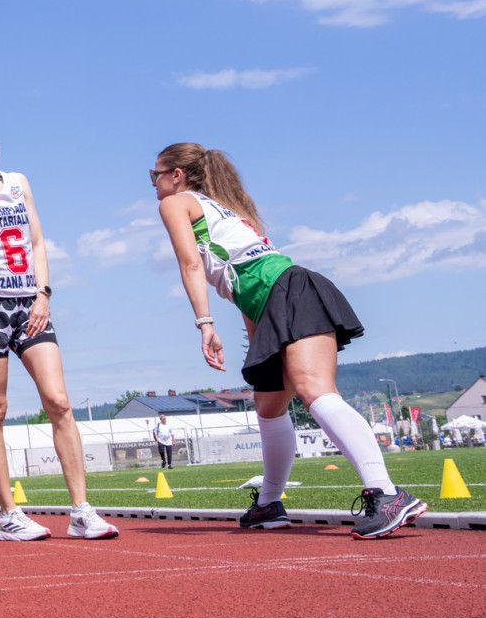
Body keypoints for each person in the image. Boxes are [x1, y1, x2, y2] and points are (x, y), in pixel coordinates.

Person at [151, 142, 425, 539]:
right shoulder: (227, 210)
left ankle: (386, 493)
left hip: (289, 292)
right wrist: (258, 347)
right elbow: (244, 287)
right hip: (277, 301)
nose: (153, 183)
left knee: (315, 391)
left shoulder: (176, 203)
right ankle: (269, 503)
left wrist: (205, 324)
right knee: (268, 407)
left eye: (155, 175)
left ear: (177, 175)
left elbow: (190, 263)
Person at [0, 121, 118, 542]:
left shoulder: (19, 183)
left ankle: (81, 511)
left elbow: (37, 241)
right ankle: (9, 515)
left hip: (29, 304)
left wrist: (44, 294)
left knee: (59, 401)